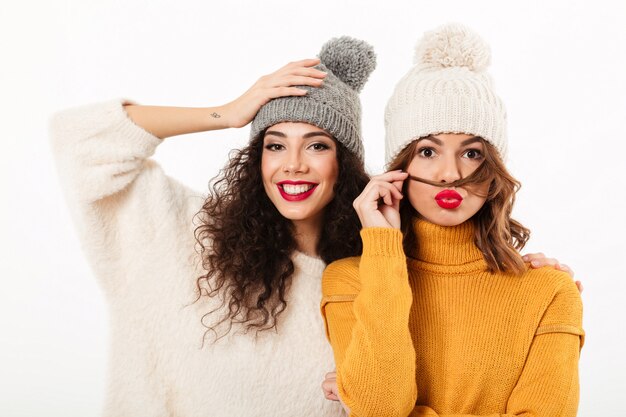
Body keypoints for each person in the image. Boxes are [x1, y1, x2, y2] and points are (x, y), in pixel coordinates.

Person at [50, 37, 375, 417]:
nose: (293, 164)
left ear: (345, 164)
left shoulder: (366, 282)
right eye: (275, 145)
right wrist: (229, 113)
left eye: (317, 146)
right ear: (257, 159)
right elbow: (78, 140)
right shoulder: (187, 236)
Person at [320, 24, 584, 417]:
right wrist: (383, 251)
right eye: (428, 151)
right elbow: (380, 408)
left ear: (494, 168)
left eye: (473, 153)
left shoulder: (550, 289)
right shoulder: (351, 279)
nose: (450, 174)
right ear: (399, 166)